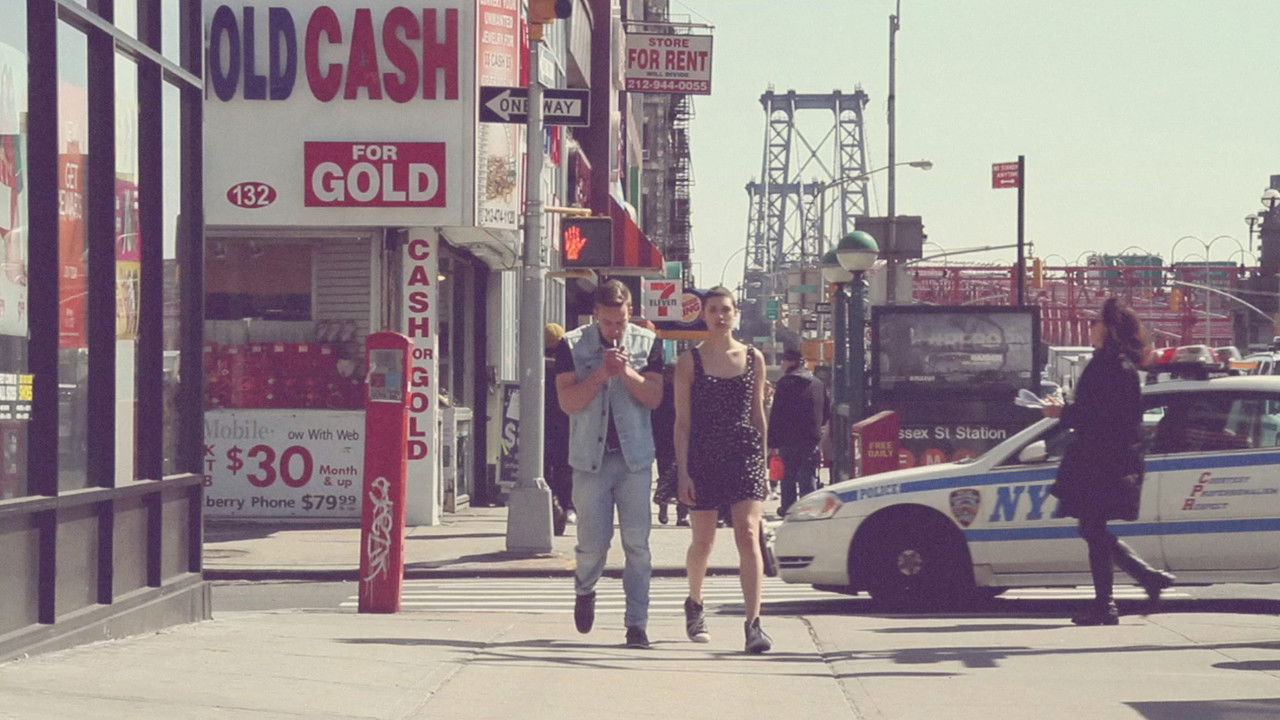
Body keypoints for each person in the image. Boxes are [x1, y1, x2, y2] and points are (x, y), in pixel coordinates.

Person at [1043, 297, 1175, 626]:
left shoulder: (1112, 367)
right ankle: (1136, 584)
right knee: (1092, 527)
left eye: (1095, 322)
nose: (1090, 327)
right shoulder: (1112, 364)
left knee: (1091, 527)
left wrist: (1063, 412)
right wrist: (1068, 411)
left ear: (1109, 329)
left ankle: (1118, 597)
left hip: (1103, 461)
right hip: (1103, 459)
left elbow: (1102, 417)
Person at [553, 280, 664, 649]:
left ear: (630, 313)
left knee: (637, 544)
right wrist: (601, 373)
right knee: (593, 543)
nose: (615, 330)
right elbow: (568, 402)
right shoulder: (571, 345)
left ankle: (637, 624)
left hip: (634, 459)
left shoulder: (649, 343)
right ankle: (585, 589)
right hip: (590, 459)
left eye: (621, 322)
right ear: (595, 315)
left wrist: (626, 372)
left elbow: (654, 397)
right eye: (608, 323)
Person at [674, 286, 772, 653]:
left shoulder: (753, 358)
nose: (720, 316)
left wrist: (764, 466)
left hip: (744, 454)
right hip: (704, 454)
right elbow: (682, 423)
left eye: (726, 309)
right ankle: (695, 601)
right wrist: (683, 472)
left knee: (748, 533)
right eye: (713, 309)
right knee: (704, 541)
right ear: (703, 314)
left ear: (736, 314)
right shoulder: (690, 362)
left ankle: (754, 625)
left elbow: (758, 416)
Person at [768, 347, 829, 517]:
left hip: (788, 439)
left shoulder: (785, 383)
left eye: (784, 361)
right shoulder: (818, 383)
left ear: (791, 362)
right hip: (811, 438)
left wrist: (773, 442)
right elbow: (826, 411)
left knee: (787, 477)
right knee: (808, 475)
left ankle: (788, 509)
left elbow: (777, 413)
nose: (782, 364)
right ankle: (809, 510)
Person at [543, 323, 573, 536]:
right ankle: (564, 504)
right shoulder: (567, 366)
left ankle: (552, 503)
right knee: (564, 467)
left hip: (542, 424)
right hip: (565, 422)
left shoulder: (535, 367)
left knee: (544, 467)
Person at [651, 363, 688, 526]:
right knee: (668, 475)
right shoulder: (661, 392)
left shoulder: (684, 391)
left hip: (677, 440)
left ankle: (681, 514)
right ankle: (665, 507)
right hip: (665, 441)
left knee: (681, 476)